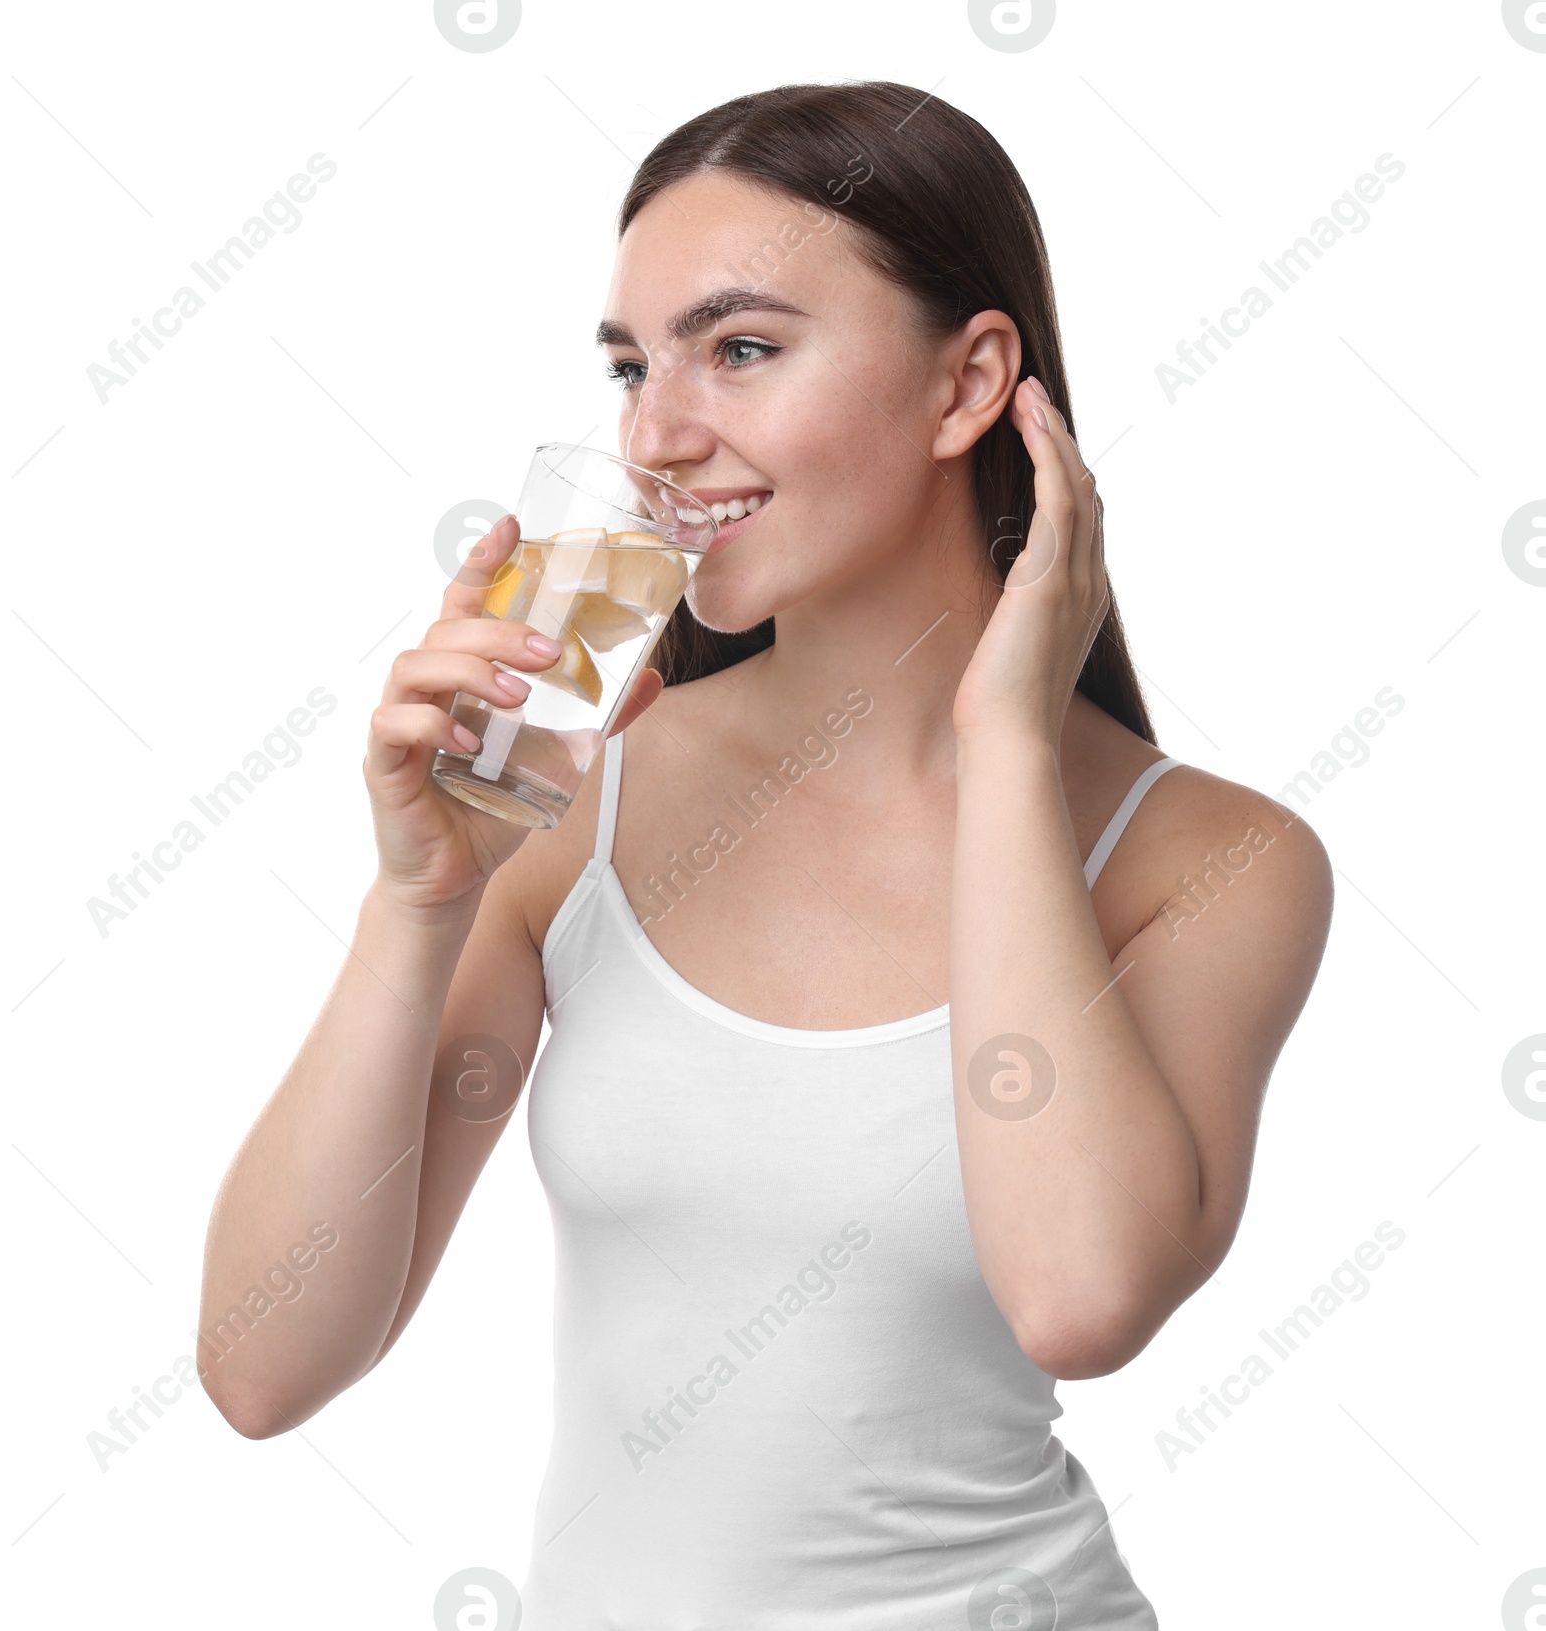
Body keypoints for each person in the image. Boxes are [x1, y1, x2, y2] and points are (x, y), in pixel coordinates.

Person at [200, 80, 1333, 1627]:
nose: (658, 434)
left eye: (739, 349)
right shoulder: (577, 802)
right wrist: (417, 906)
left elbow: (1080, 1300)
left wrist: (1007, 745)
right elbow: (264, 1370)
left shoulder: (1211, 859)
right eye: (631, 363)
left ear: (968, 383)